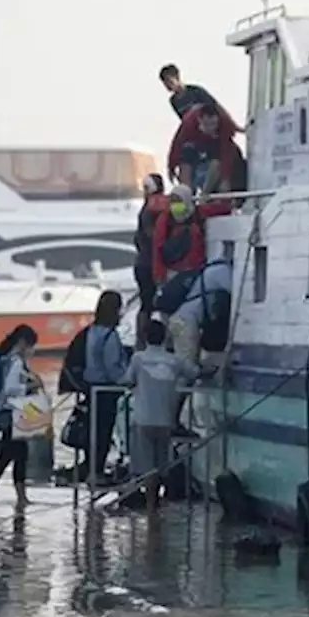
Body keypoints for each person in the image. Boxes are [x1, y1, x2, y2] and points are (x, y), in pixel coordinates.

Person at [123, 318, 201, 515]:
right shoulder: (174, 360)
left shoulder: (138, 359)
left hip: (143, 419)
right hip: (165, 420)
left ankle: (151, 506)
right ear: (165, 337)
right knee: (161, 463)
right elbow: (194, 373)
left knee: (147, 465)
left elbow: (127, 380)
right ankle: (156, 504)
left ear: (145, 337)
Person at [0, 325, 41, 511]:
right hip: (13, 414)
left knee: (17, 456)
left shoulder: (7, 360)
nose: (32, 350)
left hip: (12, 414)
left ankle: (20, 498)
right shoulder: (15, 363)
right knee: (9, 456)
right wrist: (31, 386)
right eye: (31, 345)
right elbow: (11, 390)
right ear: (22, 343)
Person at [166, 258, 232, 431]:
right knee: (185, 373)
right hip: (186, 323)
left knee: (187, 371)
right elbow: (238, 292)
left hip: (181, 321)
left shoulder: (210, 271)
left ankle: (175, 417)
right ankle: (172, 420)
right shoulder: (223, 272)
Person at [77, 291, 128, 482]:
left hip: (91, 387)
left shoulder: (91, 332)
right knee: (104, 432)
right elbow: (113, 366)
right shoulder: (110, 336)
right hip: (107, 389)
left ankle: (91, 468)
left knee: (93, 430)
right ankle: (96, 471)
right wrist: (127, 380)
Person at [151, 184, 233, 283]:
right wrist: (159, 274)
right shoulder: (165, 219)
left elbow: (219, 209)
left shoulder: (197, 213)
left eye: (178, 201)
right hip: (173, 271)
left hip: (195, 269)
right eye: (172, 201)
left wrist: (228, 204)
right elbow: (158, 246)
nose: (175, 205)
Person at [167, 104, 247, 194]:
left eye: (214, 124)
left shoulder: (225, 124)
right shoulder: (189, 123)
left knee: (217, 165)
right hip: (196, 143)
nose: (211, 128)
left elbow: (226, 152)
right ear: (199, 120)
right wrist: (171, 166)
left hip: (216, 144)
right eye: (207, 125)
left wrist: (226, 178)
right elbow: (177, 144)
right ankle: (187, 193)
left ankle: (205, 194)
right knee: (185, 161)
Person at [133, 174, 167, 348]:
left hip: (142, 263)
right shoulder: (152, 209)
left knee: (145, 304)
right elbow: (152, 235)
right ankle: (144, 341)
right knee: (149, 304)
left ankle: (142, 341)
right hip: (149, 264)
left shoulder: (145, 208)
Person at [159, 64, 242, 128]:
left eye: (169, 81)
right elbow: (184, 121)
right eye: (165, 83)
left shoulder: (195, 91)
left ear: (177, 77)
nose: (167, 85)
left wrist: (232, 125)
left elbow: (217, 107)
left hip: (211, 127)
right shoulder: (174, 101)